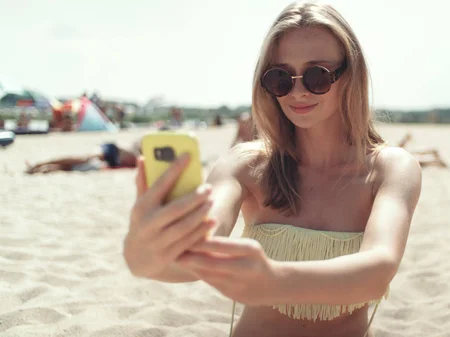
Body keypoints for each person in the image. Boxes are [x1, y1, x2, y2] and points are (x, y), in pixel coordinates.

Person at [123, 2, 422, 337]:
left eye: (316, 75)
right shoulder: (246, 166)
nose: (297, 91)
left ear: (350, 75)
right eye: (280, 77)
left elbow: (379, 270)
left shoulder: (390, 169)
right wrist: (143, 256)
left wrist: (275, 281)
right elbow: (198, 252)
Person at [25, 142, 139, 174]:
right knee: (83, 159)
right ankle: (39, 164)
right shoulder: (142, 145)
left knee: (79, 167)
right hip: (113, 150)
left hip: (113, 161)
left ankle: (48, 167)